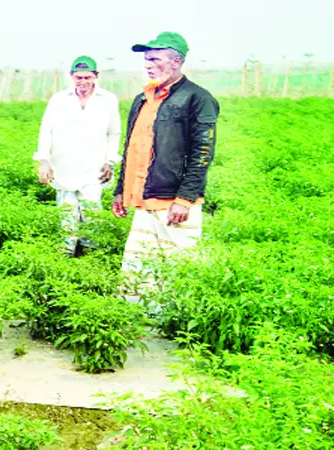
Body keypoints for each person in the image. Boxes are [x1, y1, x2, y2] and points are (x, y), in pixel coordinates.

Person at [111, 32, 219, 300]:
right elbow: (131, 147)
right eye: (146, 60)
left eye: (154, 59)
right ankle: (137, 323)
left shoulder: (197, 98)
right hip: (143, 199)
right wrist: (120, 190)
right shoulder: (142, 99)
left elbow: (202, 152)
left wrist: (185, 198)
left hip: (175, 203)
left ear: (176, 61)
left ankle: (175, 327)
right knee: (137, 270)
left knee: (179, 268)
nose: (148, 65)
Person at [35, 55, 122, 255]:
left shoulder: (107, 100)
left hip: (94, 168)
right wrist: (43, 161)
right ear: (72, 77)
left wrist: (110, 162)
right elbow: (46, 130)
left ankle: (90, 260)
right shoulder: (59, 99)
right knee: (66, 218)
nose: (83, 82)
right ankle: (65, 259)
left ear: (96, 76)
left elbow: (113, 133)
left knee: (92, 215)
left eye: (87, 78)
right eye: (79, 78)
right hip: (63, 166)